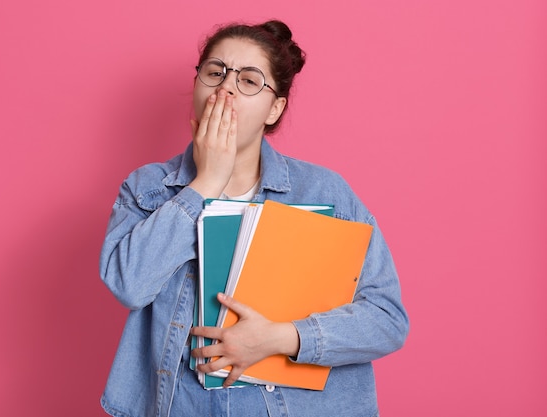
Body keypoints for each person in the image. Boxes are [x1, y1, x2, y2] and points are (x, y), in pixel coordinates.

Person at [99, 19, 409, 417]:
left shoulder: (326, 193)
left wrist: (280, 338)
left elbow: (385, 318)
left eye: (248, 81)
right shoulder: (148, 187)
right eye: (215, 73)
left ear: (274, 108)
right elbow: (128, 284)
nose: (225, 87)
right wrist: (207, 181)